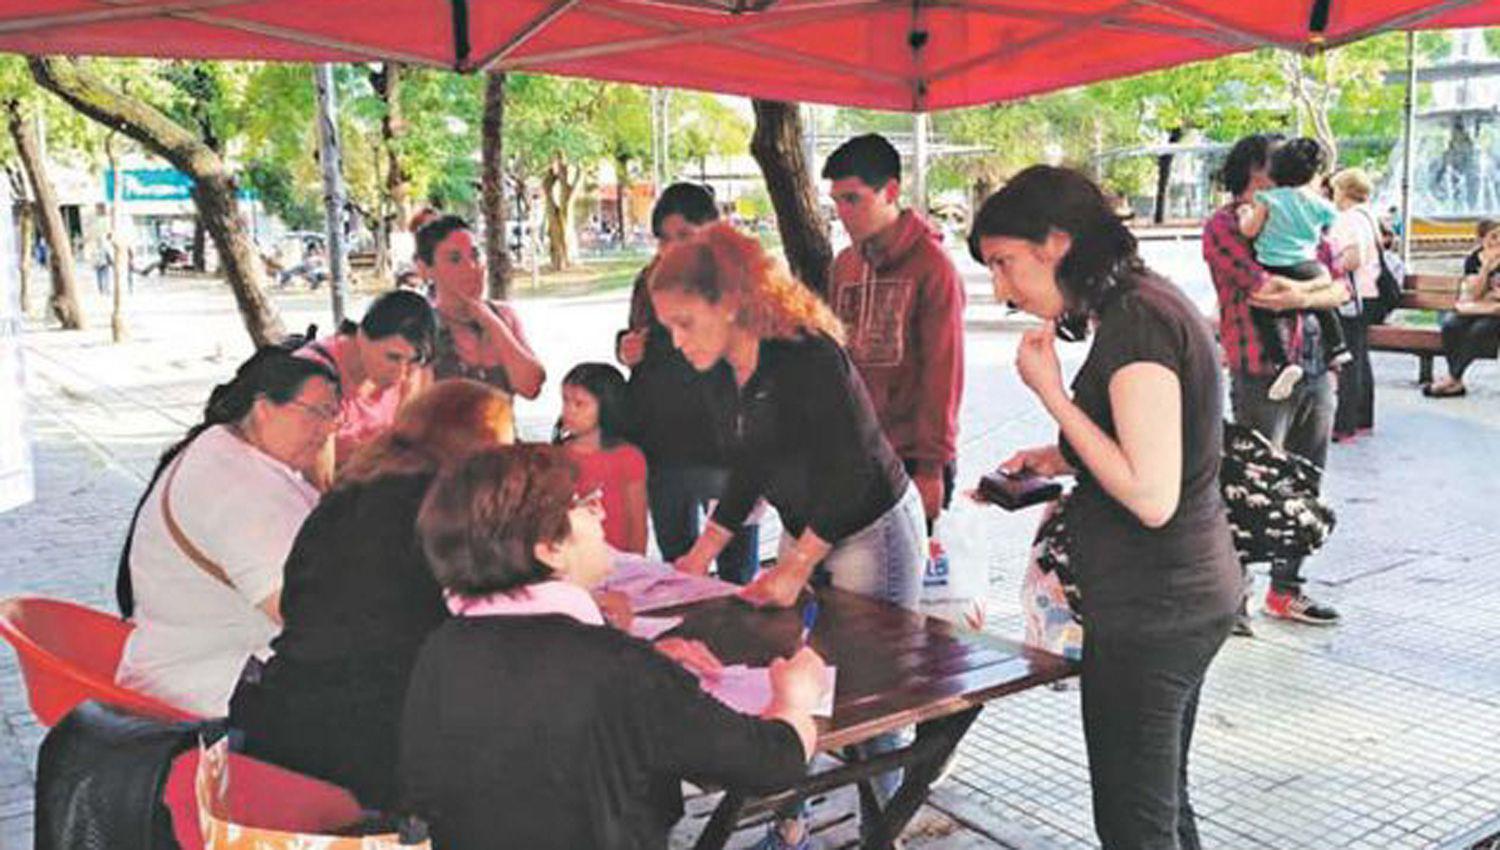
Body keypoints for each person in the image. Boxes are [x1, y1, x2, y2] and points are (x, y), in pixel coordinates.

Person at [972, 165, 1239, 850]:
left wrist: (1053, 397)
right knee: (1162, 808)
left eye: (1005, 263)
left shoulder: (1139, 324)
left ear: (1057, 242)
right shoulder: (1145, 303)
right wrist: (1059, 455)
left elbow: (1152, 495)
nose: (1001, 289)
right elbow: (1154, 444)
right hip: (1180, 594)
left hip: (1155, 606)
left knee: (1134, 824)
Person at [649, 222, 926, 850]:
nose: (675, 340)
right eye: (668, 325)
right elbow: (751, 464)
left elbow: (852, 475)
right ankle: (791, 823)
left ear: (731, 304)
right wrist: (697, 556)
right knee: (793, 677)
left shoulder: (807, 355)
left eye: (685, 322)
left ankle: (887, 831)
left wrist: (798, 566)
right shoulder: (722, 369)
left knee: (872, 697)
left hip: (868, 527)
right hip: (808, 532)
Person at [398, 445, 826, 850]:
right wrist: (794, 701)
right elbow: (771, 762)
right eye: (584, 503)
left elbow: (427, 782)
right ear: (549, 548)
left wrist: (650, 667)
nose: (600, 512)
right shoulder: (617, 670)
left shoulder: (441, 650)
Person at [230, 379, 515, 808]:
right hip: (376, 732)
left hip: (289, 715)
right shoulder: (438, 506)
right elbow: (490, 611)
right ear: (482, 444)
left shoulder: (355, 487)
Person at [114, 348, 340, 717]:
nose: (329, 429)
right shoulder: (238, 485)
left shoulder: (226, 446)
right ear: (264, 408)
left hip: (196, 664)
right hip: (209, 689)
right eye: (317, 412)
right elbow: (302, 612)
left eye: (334, 415)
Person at [1204, 133, 1347, 628]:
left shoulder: (1303, 211)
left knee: (1307, 478)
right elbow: (1261, 290)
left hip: (1316, 366)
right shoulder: (1225, 225)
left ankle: (1286, 590)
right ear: (1254, 172)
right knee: (1252, 480)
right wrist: (1316, 290)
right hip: (1260, 370)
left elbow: (1341, 286)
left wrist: (1305, 292)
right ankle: (1233, 597)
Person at [616, 184, 760, 583]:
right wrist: (626, 348)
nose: (671, 248)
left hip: (724, 450)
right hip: (663, 446)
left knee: (735, 571)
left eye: (683, 235)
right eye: (663, 238)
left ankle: (737, 642)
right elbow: (637, 341)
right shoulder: (648, 281)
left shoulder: (736, 285)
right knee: (677, 567)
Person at [823, 133, 965, 530]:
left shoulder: (933, 267)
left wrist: (932, 468)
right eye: (836, 202)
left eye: (853, 199)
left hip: (911, 458)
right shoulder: (844, 265)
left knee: (912, 589)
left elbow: (944, 373)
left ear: (890, 191)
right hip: (854, 454)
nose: (843, 213)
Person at [1236, 137, 1352, 401]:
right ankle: (1337, 345)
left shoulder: (1267, 199)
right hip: (1307, 264)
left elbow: (1249, 230)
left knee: (1262, 310)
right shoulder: (1317, 202)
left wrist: (1245, 214)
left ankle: (1283, 362)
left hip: (1273, 264)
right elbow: (1334, 224)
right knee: (1324, 302)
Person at [297, 289, 436, 466]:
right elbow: (319, 486)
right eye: (393, 357)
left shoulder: (414, 374)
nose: (401, 374)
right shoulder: (314, 379)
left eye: (414, 360)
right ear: (362, 336)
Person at [416, 214, 545, 400]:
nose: (471, 267)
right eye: (454, 259)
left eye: (475, 255)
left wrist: (489, 320)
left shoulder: (503, 316)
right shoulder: (422, 327)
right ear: (426, 269)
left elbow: (531, 387)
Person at [553, 363, 648, 554]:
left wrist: (638, 566)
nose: (569, 410)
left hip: (619, 565)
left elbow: (637, 522)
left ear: (607, 406)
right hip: (572, 560)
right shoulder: (557, 455)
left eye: (580, 404)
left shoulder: (629, 457)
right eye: (565, 401)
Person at [1328, 168, 1382, 439]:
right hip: (1370, 295)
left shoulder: (1347, 219)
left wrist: (1327, 264)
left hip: (1353, 296)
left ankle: (1344, 423)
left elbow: (1352, 258)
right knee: (1361, 358)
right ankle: (1363, 417)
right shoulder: (1368, 216)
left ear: (1345, 191)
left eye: (1336, 189)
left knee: (1348, 358)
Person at [1424, 219, 1500, 398]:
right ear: (1481, 239)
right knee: (1450, 325)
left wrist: (1489, 294)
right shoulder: (1474, 259)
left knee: (1480, 330)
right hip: (1476, 308)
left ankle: (1452, 378)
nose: (1497, 241)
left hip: (1495, 313)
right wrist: (1486, 269)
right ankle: (1455, 381)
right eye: (1493, 237)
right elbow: (1474, 294)